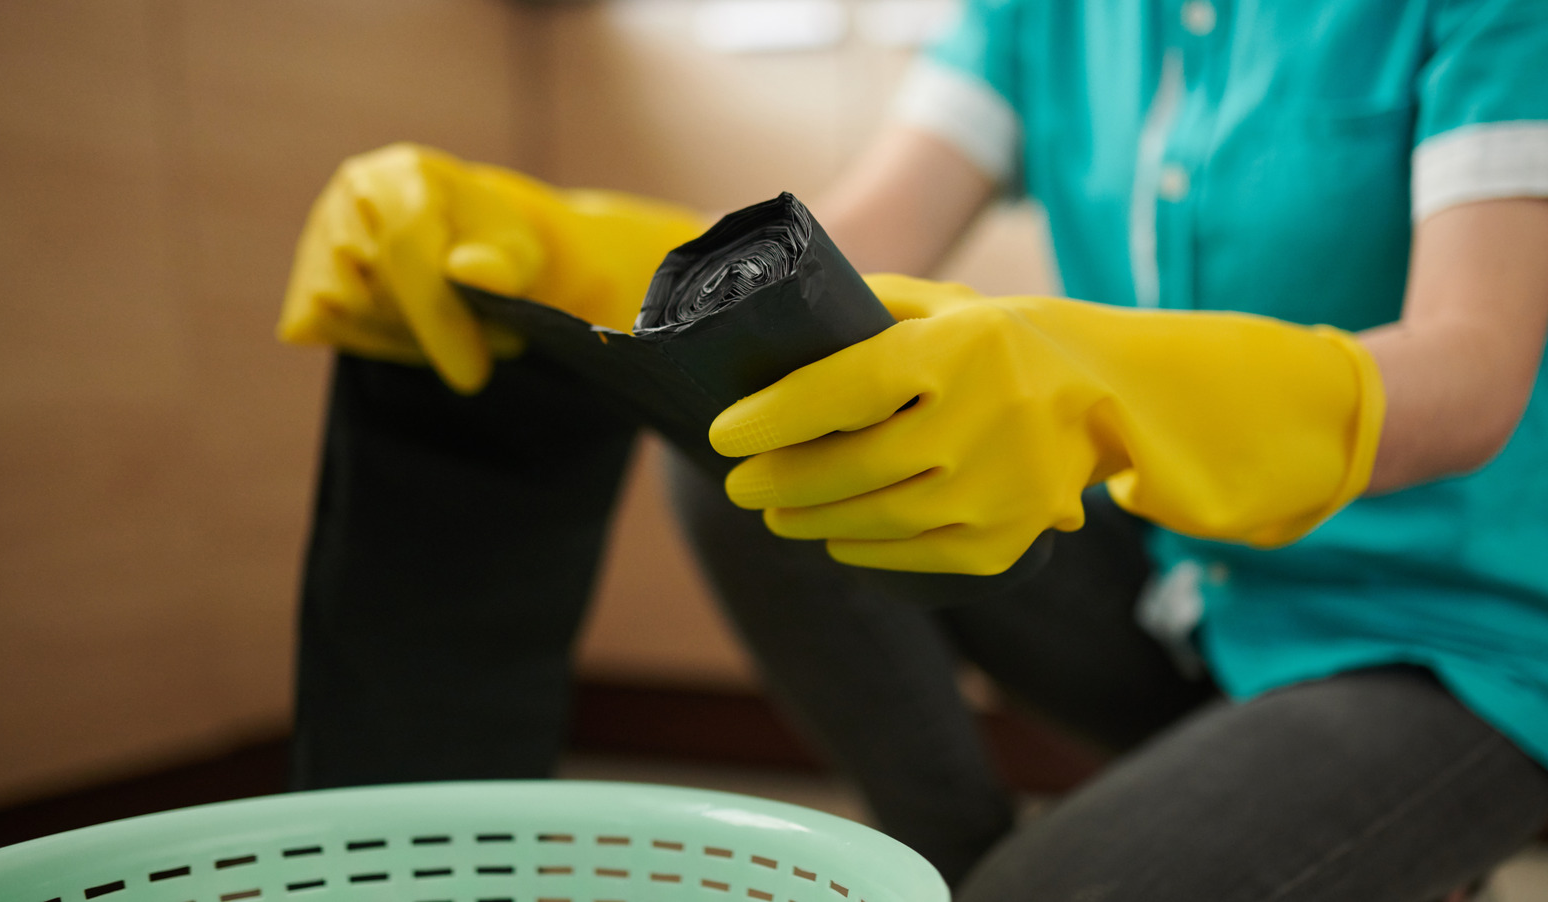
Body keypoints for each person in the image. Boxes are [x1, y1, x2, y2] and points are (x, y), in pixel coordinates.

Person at [278, 0, 1548, 898]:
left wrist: (1110, 386)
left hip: (1449, 642)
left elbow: (1473, 369)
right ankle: (946, 862)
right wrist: (555, 251)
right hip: (1186, 589)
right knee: (752, 439)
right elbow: (854, 257)